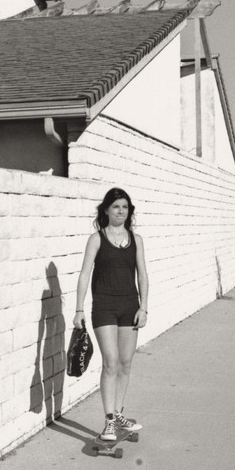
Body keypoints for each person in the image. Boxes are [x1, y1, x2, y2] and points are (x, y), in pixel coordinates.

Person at [73, 187, 150, 441]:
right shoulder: (97, 239)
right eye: (116, 206)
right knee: (110, 363)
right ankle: (108, 421)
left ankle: (118, 414)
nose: (121, 211)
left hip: (130, 306)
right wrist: (79, 309)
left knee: (126, 364)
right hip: (104, 306)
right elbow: (84, 274)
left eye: (125, 207)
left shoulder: (136, 239)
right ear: (106, 209)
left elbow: (143, 274)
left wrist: (143, 306)